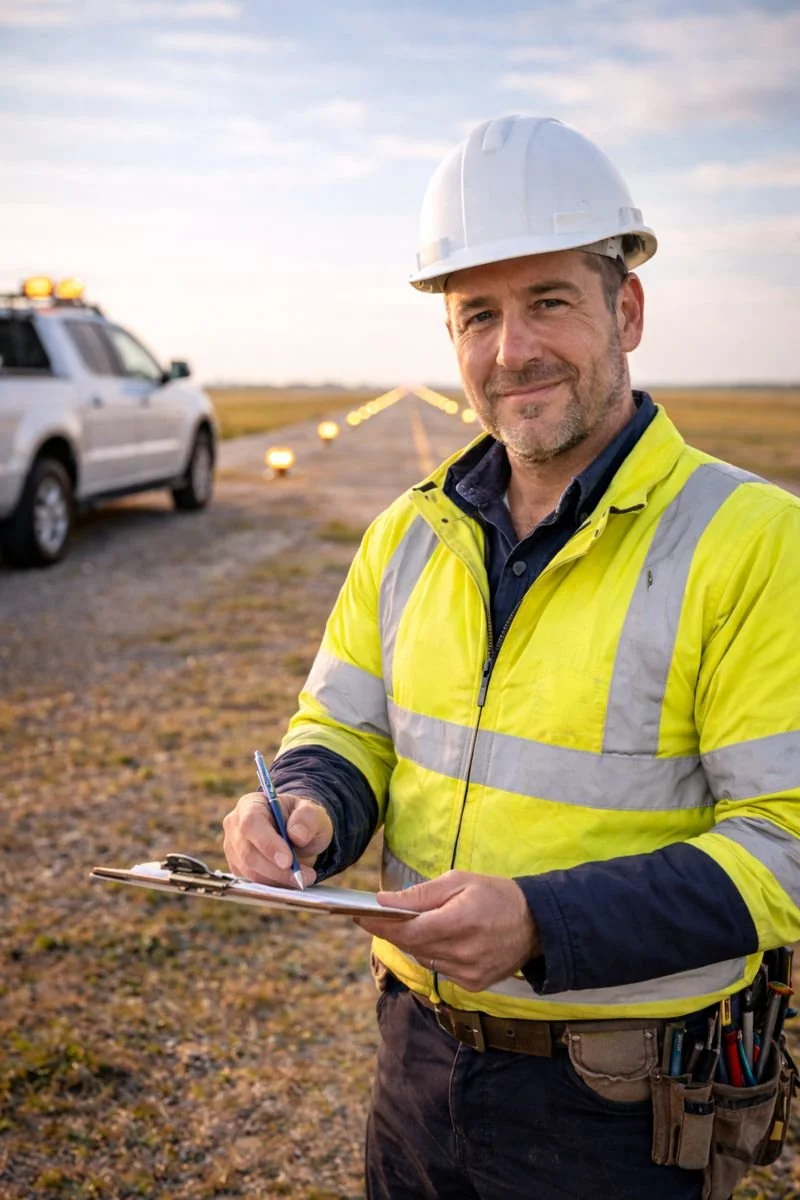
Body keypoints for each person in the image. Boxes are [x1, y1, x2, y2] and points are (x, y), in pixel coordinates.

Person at [223, 116, 800, 1199]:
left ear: (624, 309)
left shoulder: (754, 541)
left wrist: (543, 923)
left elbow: (786, 845)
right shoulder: (406, 533)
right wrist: (306, 809)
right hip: (414, 1062)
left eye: (547, 302)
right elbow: (340, 729)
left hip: (615, 1109)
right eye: (475, 315)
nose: (509, 351)